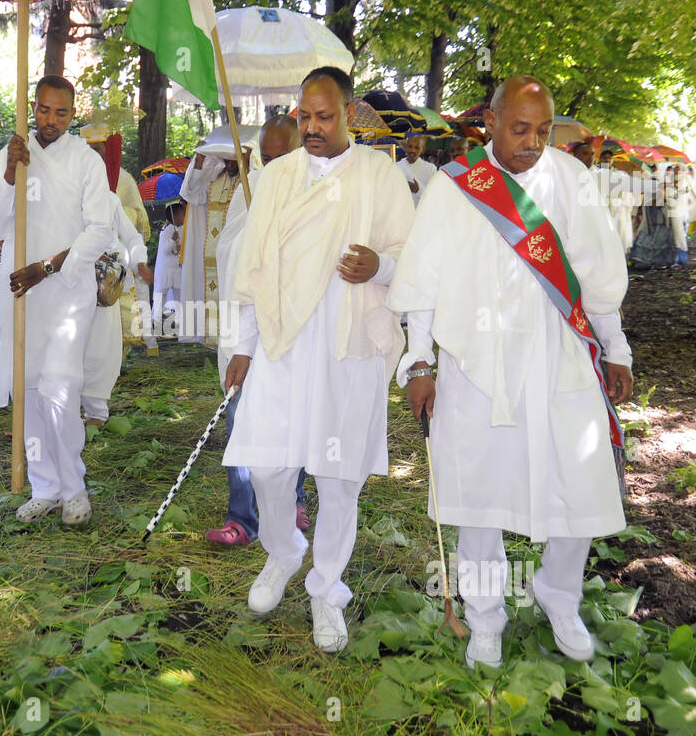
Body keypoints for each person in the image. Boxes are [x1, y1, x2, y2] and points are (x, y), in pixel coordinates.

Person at [388, 75, 633, 670]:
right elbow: (422, 282)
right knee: (477, 497)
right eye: (520, 128)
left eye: (543, 130)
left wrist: (616, 347)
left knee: (580, 484)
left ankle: (558, 595)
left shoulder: (572, 180)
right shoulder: (455, 188)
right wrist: (419, 361)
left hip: (560, 357)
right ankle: (485, 618)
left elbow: (598, 277)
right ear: (491, 123)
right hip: (477, 366)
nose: (532, 141)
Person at [224, 67, 416, 652]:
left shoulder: (380, 175)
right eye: (303, 116)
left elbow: (415, 257)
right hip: (284, 346)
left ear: (348, 113)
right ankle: (283, 552)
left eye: (323, 116)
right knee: (269, 468)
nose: (310, 127)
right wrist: (241, 345)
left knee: (338, 480)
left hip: (347, 347)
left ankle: (326, 587)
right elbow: (254, 267)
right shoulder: (278, 177)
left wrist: (379, 267)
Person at [0, 75, 114, 525]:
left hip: (64, 289)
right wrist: (7, 174)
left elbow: (100, 228)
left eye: (62, 112)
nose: (52, 119)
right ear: (32, 108)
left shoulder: (86, 161)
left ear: (72, 114)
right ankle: (45, 486)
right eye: (44, 110)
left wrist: (48, 267)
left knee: (60, 385)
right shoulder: (13, 154)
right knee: (31, 388)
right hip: (21, 290)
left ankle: (74, 486)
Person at [207, 114, 311, 546]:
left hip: (295, 326)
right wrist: (256, 228)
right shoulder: (249, 192)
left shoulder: (315, 192)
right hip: (246, 326)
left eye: (282, 156)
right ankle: (243, 518)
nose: (272, 167)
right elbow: (229, 249)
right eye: (266, 158)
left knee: (295, 416)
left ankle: (295, 501)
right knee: (241, 414)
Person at [81, 124, 157, 357]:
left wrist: (139, 259)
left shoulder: (122, 179)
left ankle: (115, 359)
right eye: (89, 148)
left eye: (98, 148)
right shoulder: (75, 179)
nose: (94, 153)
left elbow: (137, 220)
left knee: (117, 309)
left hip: (117, 254)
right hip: (83, 259)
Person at [179, 125, 258, 347]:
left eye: (235, 160)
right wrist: (200, 162)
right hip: (214, 255)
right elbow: (191, 193)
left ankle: (237, 341)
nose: (231, 164)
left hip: (238, 252)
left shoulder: (251, 181)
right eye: (228, 159)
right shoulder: (215, 179)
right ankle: (214, 338)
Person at [153, 201, 186, 337]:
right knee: (161, 296)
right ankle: (157, 325)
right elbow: (166, 250)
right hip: (166, 269)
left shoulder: (180, 228)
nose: (185, 216)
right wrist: (173, 240)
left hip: (176, 269)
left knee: (179, 295)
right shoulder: (167, 230)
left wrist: (178, 247)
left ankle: (179, 324)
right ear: (176, 216)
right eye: (183, 214)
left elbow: (177, 250)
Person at [401, 132, 437, 204]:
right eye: (410, 146)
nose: (412, 150)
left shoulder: (431, 169)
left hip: (421, 212)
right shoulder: (396, 166)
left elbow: (435, 196)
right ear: (405, 147)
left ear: (422, 150)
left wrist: (418, 190)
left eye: (417, 148)